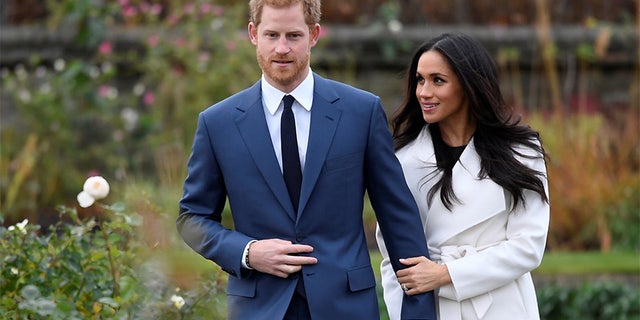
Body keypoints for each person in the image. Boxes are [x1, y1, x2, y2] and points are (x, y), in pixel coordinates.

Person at [176, 0, 437, 319]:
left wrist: (418, 314)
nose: (282, 48)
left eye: (293, 36)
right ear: (253, 34)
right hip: (260, 308)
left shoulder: (361, 112)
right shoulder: (217, 123)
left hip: (346, 308)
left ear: (314, 35)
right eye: (272, 35)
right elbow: (192, 218)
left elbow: (398, 218)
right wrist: (248, 252)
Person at [375, 33, 550, 320]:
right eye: (420, 80)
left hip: (503, 307)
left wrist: (446, 274)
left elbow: (528, 247)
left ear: (469, 85)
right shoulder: (401, 160)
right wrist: (403, 310)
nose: (424, 92)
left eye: (437, 80)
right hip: (431, 309)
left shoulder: (522, 152)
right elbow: (391, 255)